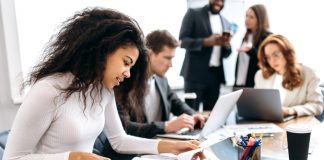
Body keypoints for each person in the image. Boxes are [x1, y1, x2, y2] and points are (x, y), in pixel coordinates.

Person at [3, 8, 201, 160]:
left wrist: (172, 146)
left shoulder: (103, 90)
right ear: (102, 50)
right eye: (126, 63)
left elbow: (119, 141)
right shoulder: (48, 90)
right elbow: (12, 158)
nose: (128, 73)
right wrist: (73, 157)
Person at [94, 29, 208, 159]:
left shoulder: (161, 80)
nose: (170, 65)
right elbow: (125, 127)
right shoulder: (121, 81)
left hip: (155, 151)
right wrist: (166, 126)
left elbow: (177, 103)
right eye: (167, 58)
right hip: (127, 156)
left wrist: (194, 116)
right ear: (149, 54)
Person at [179, 0, 232, 111]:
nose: (219, 3)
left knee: (212, 115)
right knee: (191, 114)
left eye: (222, 1)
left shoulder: (226, 22)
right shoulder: (193, 13)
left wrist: (226, 45)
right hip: (194, 75)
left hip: (215, 77)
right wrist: (206, 42)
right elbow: (182, 41)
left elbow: (226, 54)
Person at [255, 34, 324, 117]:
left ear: (287, 53)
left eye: (276, 54)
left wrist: (292, 110)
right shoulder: (260, 75)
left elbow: (317, 106)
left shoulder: (309, 73)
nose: (272, 60)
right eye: (268, 57)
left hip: (297, 125)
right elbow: (256, 103)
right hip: (268, 123)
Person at [234, 4, 272, 87]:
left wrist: (251, 51)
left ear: (260, 19)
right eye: (246, 16)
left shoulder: (267, 37)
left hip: (254, 84)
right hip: (240, 82)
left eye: (251, 17)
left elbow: (267, 60)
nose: (247, 19)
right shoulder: (247, 36)